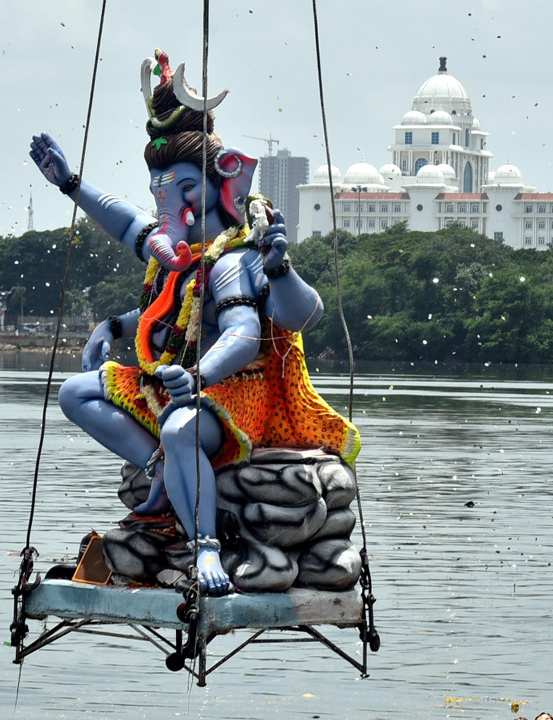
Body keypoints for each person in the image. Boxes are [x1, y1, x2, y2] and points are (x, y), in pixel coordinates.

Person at [29, 49, 358, 594]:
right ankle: (159, 469)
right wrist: (71, 187)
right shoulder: (176, 254)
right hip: (176, 381)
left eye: (181, 186)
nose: (167, 199)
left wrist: (199, 377)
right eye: (160, 187)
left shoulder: (232, 256)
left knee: (183, 426)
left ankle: (205, 545)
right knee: (74, 392)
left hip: (236, 394)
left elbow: (243, 332)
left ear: (218, 181)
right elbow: (142, 256)